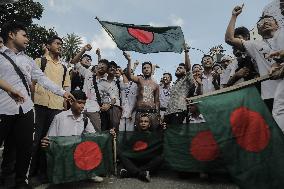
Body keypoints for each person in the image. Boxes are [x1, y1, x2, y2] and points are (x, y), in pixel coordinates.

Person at [0, 21, 73, 189]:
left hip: (25, 109)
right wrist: (10, 90)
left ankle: (20, 182)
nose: (27, 39)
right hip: (3, 109)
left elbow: (43, 80)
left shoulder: (28, 61)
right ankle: (5, 179)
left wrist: (63, 93)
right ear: (11, 35)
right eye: (24, 35)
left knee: (25, 147)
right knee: (8, 150)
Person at [225, 4, 283, 112]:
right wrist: (234, 16)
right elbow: (229, 39)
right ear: (258, 30)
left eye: (269, 19)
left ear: (277, 25)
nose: (265, 22)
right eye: (261, 22)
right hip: (271, 96)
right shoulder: (255, 45)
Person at [30, 35, 71, 180]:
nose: (60, 46)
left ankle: (44, 173)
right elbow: (32, 84)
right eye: (57, 43)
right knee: (35, 141)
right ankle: (29, 173)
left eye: (61, 44)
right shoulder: (39, 61)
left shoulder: (64, 67)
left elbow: (66, 87)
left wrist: (66, 107)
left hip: (57, 107)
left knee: (50, 141)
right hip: (38, 105)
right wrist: (31, 102)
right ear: (48, 45)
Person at [41, 90, 105, 183]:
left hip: (77, 154)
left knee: (92, 146)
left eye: (84, 103)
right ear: (71, 102)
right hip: (63, 154)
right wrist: (45, 143)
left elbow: (94, 137)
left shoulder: (85, 119)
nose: (82, 106)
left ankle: (90, 173)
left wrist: (109, 134)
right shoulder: (59, 117)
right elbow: (50, 139)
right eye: (79, 103)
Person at [70, 44, 116, 131]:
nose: (101, 67)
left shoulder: (107, 84)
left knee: (96, 134)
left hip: (94, 111)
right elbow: (74, 62)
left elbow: (114, 98)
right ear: (97, 65)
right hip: (81, 108)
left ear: (106, 70)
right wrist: (84, 49)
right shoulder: (88, 73)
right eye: (100, 64)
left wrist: (109, 105)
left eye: (104, 66)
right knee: (77, 132)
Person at [118, 113, 164, 182]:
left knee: (160, 158)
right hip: (135, 160)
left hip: (147, 161)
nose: (143, 123)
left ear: (149, 124)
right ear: (139, 123)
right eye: (141, 121)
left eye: (146, 121)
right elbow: (128, 149)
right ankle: (141, 173)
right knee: (121, 154)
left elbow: (157, 147)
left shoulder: (153, 135)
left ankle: (130, 173)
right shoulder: (134, 135)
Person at [123, 52, 160, 130]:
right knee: (138, 135)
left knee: (153, 135)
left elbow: (157, 101)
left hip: (152, 112)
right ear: (142, 71)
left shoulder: (156, 85)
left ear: (151, 69)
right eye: (144, 68)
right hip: (140, 111)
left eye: (148, 68)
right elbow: (129, 76)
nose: (146, 69)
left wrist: (158, 114)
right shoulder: (140, 80)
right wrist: (129, 60)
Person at [164, 44, 195, 124]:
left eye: (180, 68)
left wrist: (186, 51)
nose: (178, 68)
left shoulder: (187, 78)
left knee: (176, 134)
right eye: (177, 68)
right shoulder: (175, 83)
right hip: (168, 112)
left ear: (185, 71)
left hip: (179, 110)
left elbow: (188, 68)